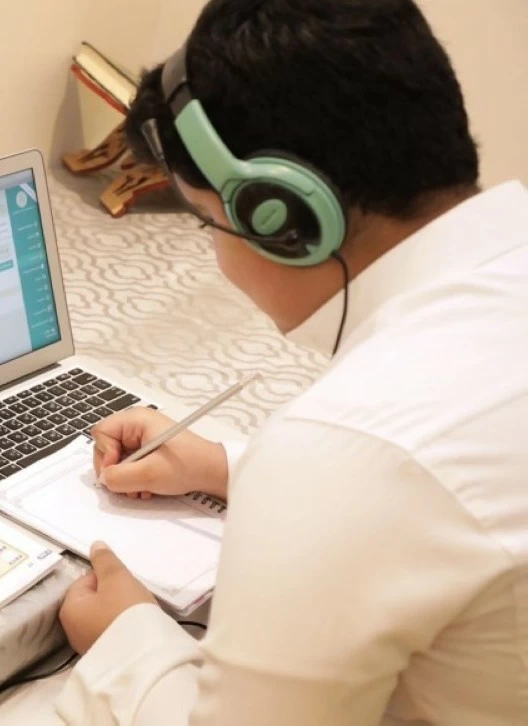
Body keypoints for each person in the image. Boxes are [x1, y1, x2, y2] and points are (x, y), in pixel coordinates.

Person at [55, 1, 528, 724]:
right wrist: (224, 465)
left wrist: (126, 642)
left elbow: (383, 472)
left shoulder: (344, 453)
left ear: (281, 218)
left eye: (207, 224)